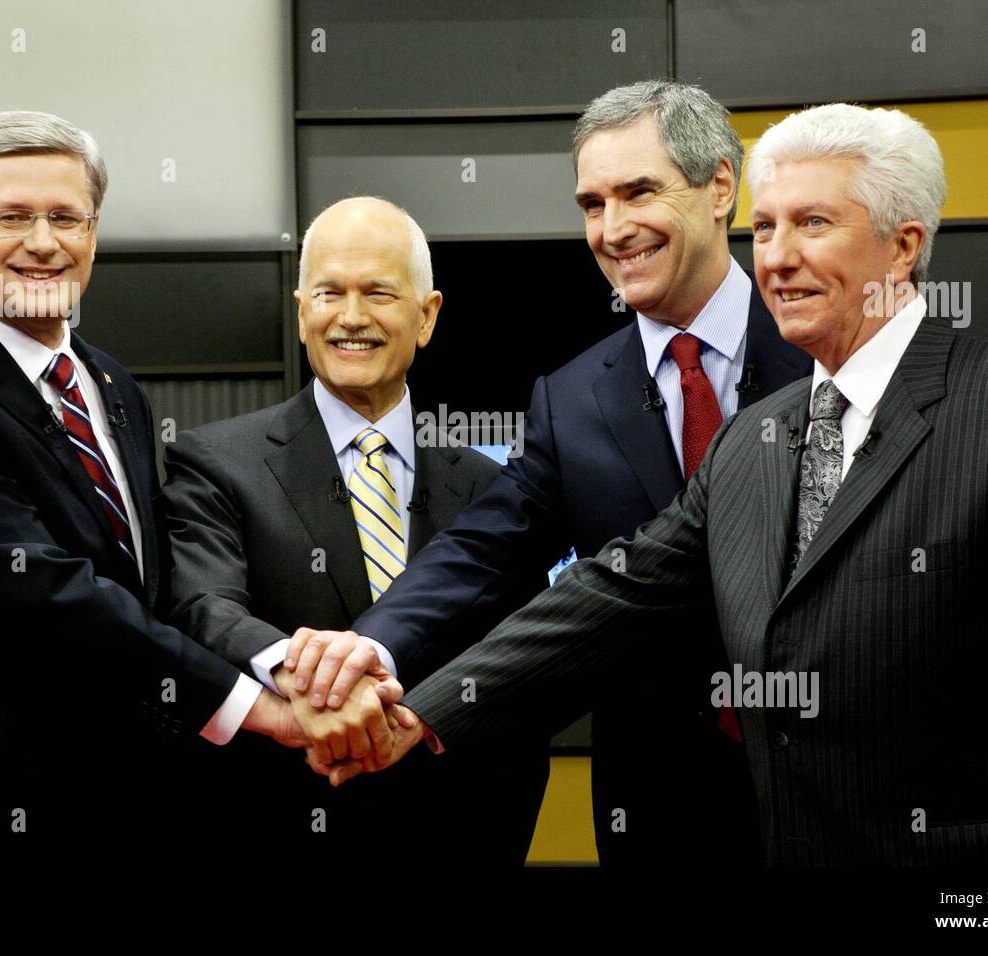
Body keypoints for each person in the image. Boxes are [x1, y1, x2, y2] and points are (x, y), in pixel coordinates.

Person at [325, 103, 988, 866]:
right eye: (766, 227)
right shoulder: (756, 440)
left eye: (813, 224)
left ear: (903, 245)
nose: (775, 256)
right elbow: (610, 594)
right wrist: (416, 710)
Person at [285, 81, 810, 866]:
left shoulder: (822, 340)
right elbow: (486, 551)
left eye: (638, 192)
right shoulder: (570, 400)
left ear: (721, 188)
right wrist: (372, 650)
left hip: (838, 779)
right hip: (662, 810)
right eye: (592, 204)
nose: (614, 228)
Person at [0, 111, 304, 866]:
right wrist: (257, 709)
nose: (45, 244)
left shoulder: (111, 384)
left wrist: (284, 660)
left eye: (67, 218)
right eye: (13, 217)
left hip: (119, 814)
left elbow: (156, 584)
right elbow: (51, 599)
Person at [163, 197, 549, 864]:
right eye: (329, 293)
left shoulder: (491, 489)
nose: (351, 317)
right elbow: (203, 609)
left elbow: (525, 670)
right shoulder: (215, 464)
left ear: (427, 316)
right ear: (300, 311)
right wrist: (310, 676)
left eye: (377, 293)